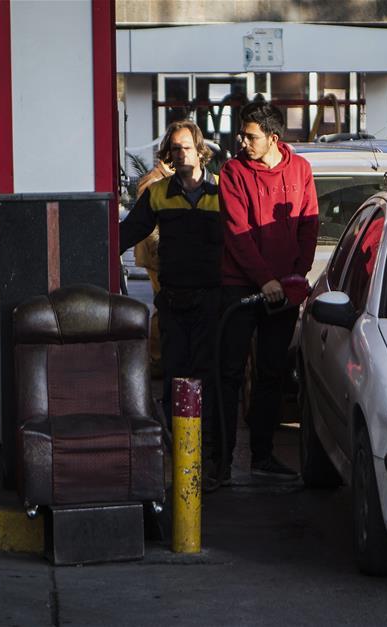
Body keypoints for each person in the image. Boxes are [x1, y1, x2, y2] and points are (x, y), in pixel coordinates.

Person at [119, 120, 224, 491]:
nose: (180, 154)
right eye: (174, 149)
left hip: (211, 304)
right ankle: (178, 454)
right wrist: (94, 252)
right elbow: (129, 231)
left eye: (186, 148)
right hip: (174, 304)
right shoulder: (159, 194)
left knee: (207, 380)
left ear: (200, 151)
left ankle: (206, 458)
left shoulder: (222, 192)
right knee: (175, 379)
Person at [217, 100, 319, 482]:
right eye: (242, 135)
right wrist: (265, 280)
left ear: (273, 138)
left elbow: (309, 226)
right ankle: (221, 460)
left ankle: (262, 455)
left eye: (250, 136)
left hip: (283, 291)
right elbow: (237, 234)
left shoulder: (301, 170)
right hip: (240, 287)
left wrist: (296, 275)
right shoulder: (232, 172)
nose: (243, 142)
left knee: (272, 373)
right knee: (228, 372)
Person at [134, 161, 174, 377]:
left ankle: (158, 357)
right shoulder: (154, 182)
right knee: (162, 304)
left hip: (160, 256)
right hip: (158, 257)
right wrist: (162, 254)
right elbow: (148, 228)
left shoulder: (159, 179)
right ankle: (157, 357)